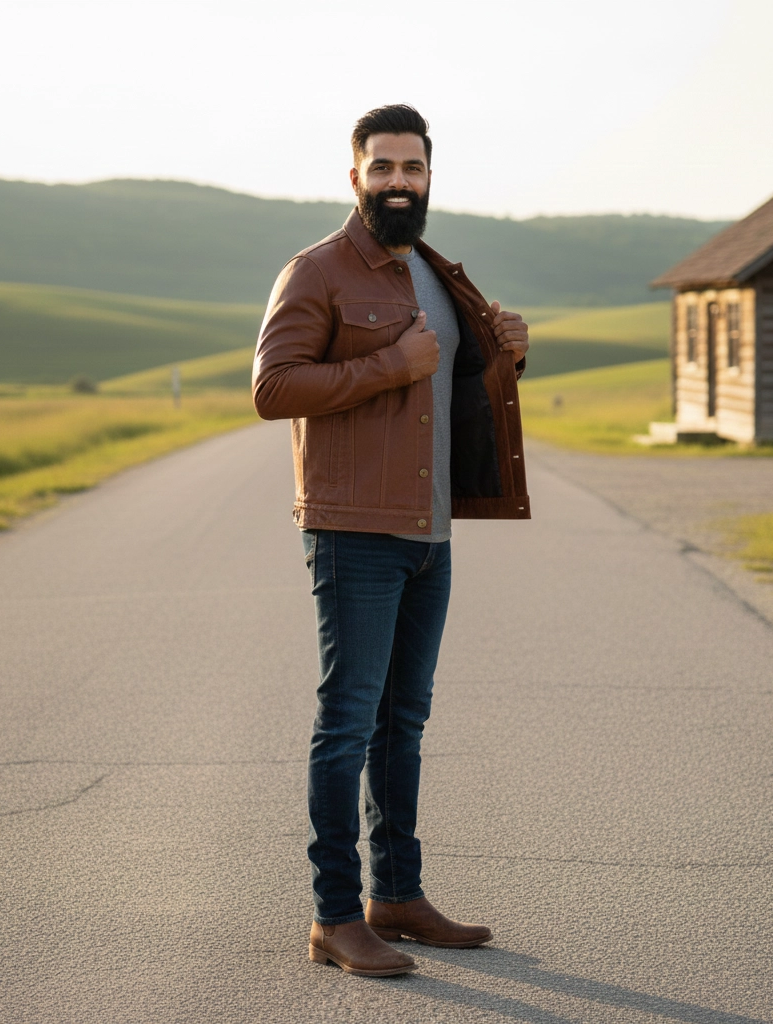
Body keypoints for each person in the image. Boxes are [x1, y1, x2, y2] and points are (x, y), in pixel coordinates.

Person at [252, 104, 531, 977]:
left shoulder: (438, 277)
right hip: (352, 533)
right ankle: (335, 918)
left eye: (412, 168)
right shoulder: (318, 272)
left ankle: (396, 895)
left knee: (402, 723)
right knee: (348, 725)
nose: (399, 182)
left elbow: (446, 392)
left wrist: (504, 356)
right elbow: (273, 387)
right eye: (383, 168)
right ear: (356, 177)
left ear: (429, 178)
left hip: (429, 531)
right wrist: (388, 366)